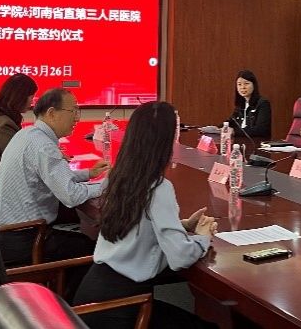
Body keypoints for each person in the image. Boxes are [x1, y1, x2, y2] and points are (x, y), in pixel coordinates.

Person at [74, 102, 217, 329]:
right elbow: (180, 257)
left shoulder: (118, 175)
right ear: (165, 142)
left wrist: (181, 225)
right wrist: (203, 237)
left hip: (91, 298)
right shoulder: (158, 188)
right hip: (123, 309)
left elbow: (135, 224)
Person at [0, 88, 109, 265]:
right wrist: (109, 183)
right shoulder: (44, 146)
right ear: (52, 113)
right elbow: (72, 195)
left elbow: (50, 177)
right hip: (27, 239)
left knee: (76, 225)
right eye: (73, 111)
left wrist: (89, 174)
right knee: (93, 249)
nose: (77, 118)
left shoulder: (27, 134)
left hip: (6, 234)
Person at [228, 69, 271, 139]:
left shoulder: (263, 104)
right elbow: (231, 122)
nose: (243, 87)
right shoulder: (241, 105)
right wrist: (217, 129)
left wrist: (234, 131)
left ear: (254, 85)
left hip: (257, 142)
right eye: (239, 84)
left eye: (246, 83)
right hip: (241, 142)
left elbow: (261, 130)